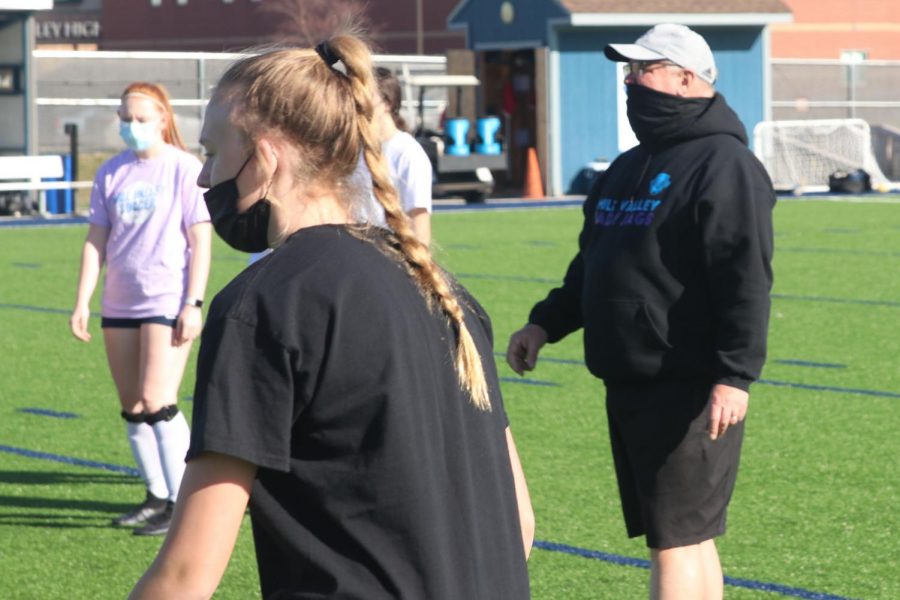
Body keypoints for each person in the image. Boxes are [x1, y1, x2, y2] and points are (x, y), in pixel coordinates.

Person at [130, 34, 533, 600]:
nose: (203, 178)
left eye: (214, 153)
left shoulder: (266, 303)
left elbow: (186, 575)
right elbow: (520, 524)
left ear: (265, 157)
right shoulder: (447, 293)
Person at [506, 24, 774, 600]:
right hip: (630, 379)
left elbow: (745, 279)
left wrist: (734, 375)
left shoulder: (725, 164)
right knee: (686, 537)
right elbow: (594, 264)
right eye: (629, 71)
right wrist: (544, 323)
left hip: (688, 384)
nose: (630, 81)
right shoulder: (626, 167)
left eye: (643, 69)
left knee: (674, 541)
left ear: (684, 80)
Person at [70, 82, 211, 536]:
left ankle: (183, 503)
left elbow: (200, 240)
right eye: (125, 119)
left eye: (141, 119)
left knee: (158, 401)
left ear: (163, 120)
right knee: (132, 405)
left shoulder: (184, 169)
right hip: (120, 302)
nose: (132, 127)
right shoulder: (111, 173)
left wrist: (194, 302)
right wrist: (82, 302)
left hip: (166, 299)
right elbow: (97, 240)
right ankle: (156, 497)